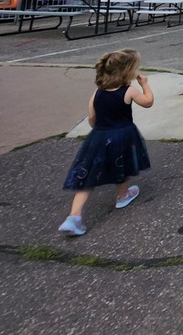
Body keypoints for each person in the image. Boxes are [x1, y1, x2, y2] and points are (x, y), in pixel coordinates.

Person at [58, 49, 154, 236]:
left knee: (88, 174)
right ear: (128, 72)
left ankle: (74, 216)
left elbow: (92, 119)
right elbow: (148, 102)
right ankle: (122, 195)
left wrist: (100, 129)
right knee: (123, 163)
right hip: (123, 135)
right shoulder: (129, 91)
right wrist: (145, 85)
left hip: (99, 136)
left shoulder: (97, 93)